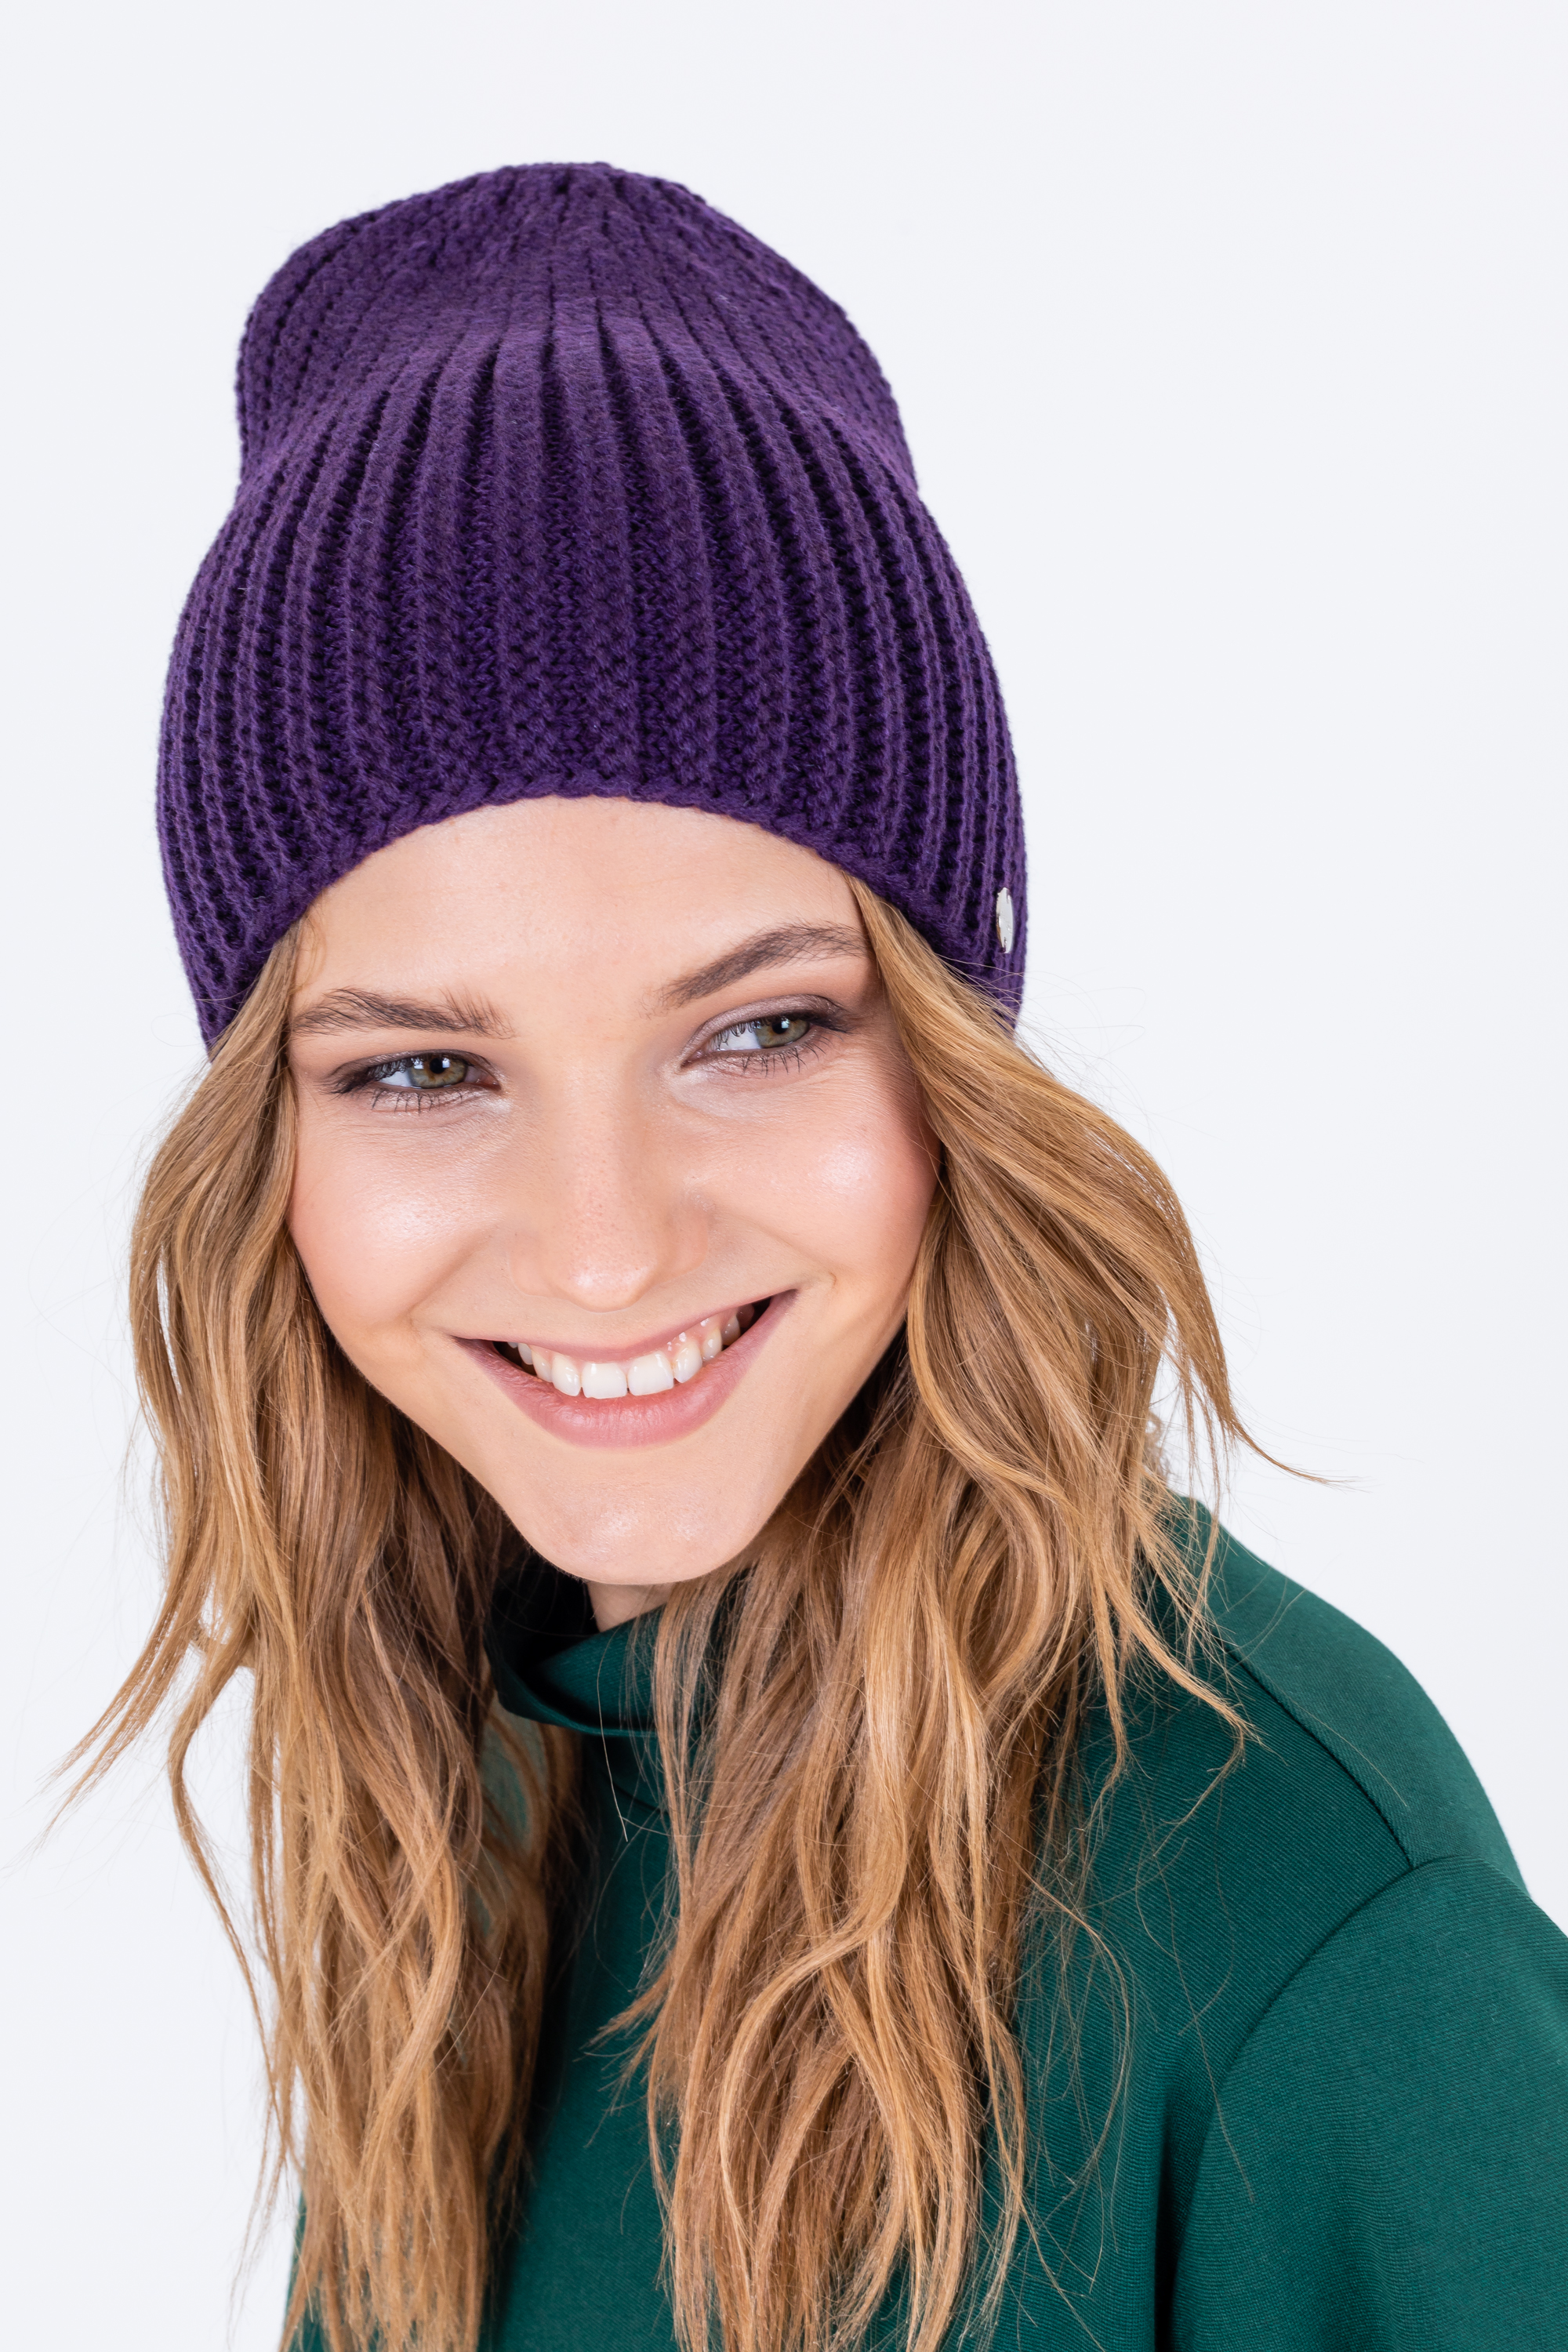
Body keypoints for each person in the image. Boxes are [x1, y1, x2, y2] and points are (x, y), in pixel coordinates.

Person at [85, 164, 1566, 2352]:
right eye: (424, 1070)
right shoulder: (474, 1778)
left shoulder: (1301, 1911)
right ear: (269, 1147)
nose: (605, 1252)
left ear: (948, 1060)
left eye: (758, 1031)